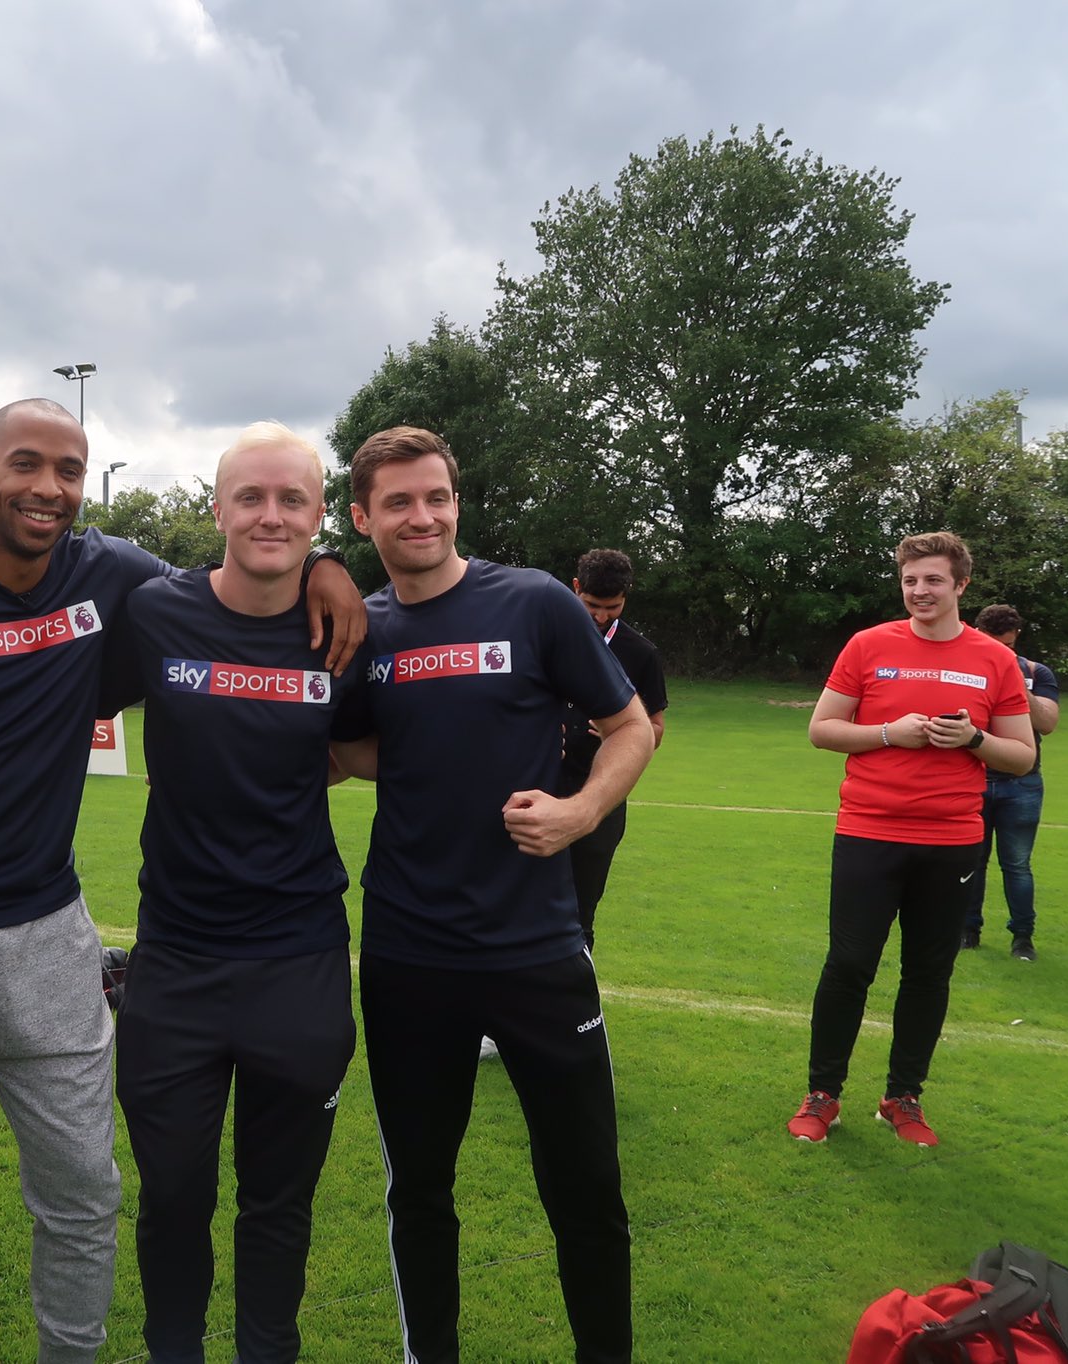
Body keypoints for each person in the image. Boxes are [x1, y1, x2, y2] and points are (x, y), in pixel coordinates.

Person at [0, 398, 360, 1364]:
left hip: (48, 932)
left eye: (67, 471)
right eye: (24, 465)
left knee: (85, 1195)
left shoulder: (112, 573)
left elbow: (244, 575)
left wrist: (327, 564)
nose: (46, 488)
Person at [334, 425, 652, 1364]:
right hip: (407, 956)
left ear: (456, 502)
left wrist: (580, 810)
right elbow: (348, 749)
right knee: (421, 1191)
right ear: (363, 516)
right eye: (397, 502)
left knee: (587, 1189)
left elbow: (628, 725)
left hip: (539, 952)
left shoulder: (535, 602)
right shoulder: (367, 629)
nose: (420, 516)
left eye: (435, 496)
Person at [100, 423, 368, 1364]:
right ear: (216, 508)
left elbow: (379, 744)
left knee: (278, 1203)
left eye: (292, 500)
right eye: (249, 497)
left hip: (300, 962)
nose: (270, 515)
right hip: (174, 965)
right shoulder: (154, 613)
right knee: (172, 1198)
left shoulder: (345, 630)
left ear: (319, 515)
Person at [788, 532, 1033, 1150]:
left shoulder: (994, 659)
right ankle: (822, 1094)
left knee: (929, 971)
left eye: (933, 581)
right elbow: (822, 730)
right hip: (868, 831)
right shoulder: (869, 645)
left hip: (952, 840)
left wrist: (973, 740)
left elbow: (1022, 755)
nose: (920, 591)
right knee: (848, 964)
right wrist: (890, 734)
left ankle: (903, 1097)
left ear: (961, 586)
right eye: (910, 580)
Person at [559, 549, 668, 952]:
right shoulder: (543, 635)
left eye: (612, 608)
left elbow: (655, 729)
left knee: (579, 918)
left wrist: (621, 737)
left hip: (602, 800)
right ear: (575, 589)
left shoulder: (641, 653)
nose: (602, 617)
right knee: (519, 908)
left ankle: (574, 1010)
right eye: (591, 606)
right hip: (535, 790)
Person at [960, 604, 1060, 960]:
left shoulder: (1036, 671)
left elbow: (1047, 723)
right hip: (975, 777)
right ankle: (968, 929)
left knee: (1017, 864)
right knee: (973, 860)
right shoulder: (968, 669)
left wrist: (1017, 684)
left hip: (1022, 783)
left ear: (1015, 637)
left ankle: (1022, 938)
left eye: (1004, 645)